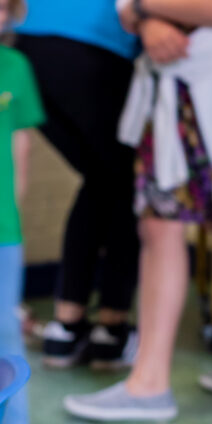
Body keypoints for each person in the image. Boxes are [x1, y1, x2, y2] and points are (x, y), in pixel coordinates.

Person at [63, 0, 212, 422]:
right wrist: (147, 17)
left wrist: (142, 9)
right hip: (184, 87)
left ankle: (155, 383)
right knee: (199, 224)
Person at [14, 0, 141, 370]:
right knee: (124, 185)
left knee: (102, 179)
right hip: (98, 46)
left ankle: (66, 327)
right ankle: (111, 330)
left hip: (31, 44)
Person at [0, 0, 46, 424]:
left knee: (5, 330)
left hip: (2, 230)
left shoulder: (15, 67)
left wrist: (12, 210)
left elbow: (21, 147)